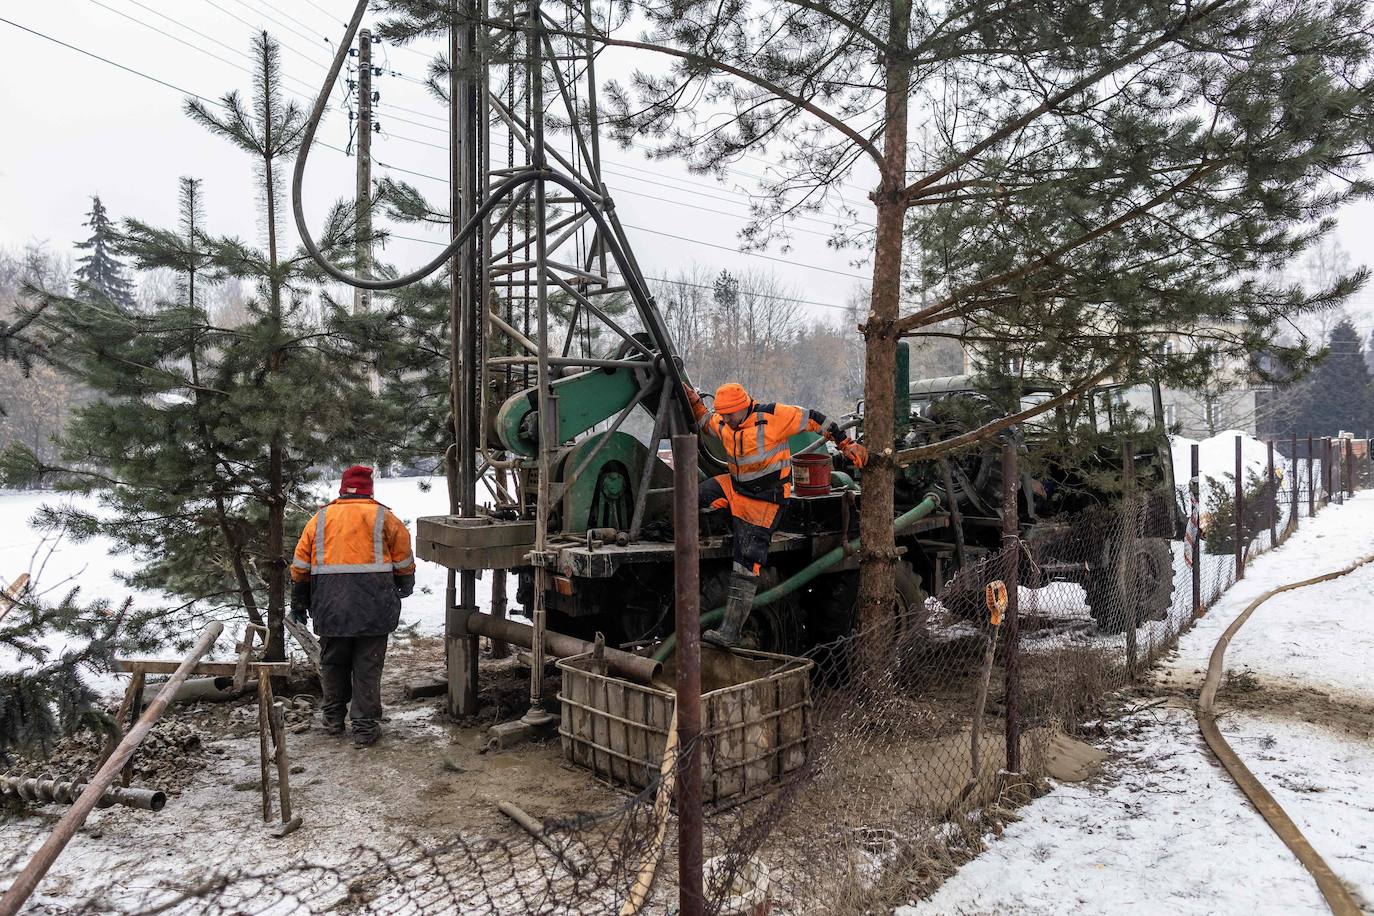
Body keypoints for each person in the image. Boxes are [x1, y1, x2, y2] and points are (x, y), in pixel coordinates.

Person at [685, 382, 868, 648]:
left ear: (743, 407)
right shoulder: (725, 423)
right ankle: (727, 525)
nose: (725, 420)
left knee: (745, 562)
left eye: (729, 415)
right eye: (722, 415)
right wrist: (694, 402)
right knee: (694, 497)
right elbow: (705, 422)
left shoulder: (774, 417)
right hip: (735, 486)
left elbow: (814, 419)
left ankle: (731, 631)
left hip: (764, 500)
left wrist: (845, 443)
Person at [290, 465, 416, 747]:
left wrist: (298, 599)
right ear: (370, 490)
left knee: (333, 662)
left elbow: (300, 565)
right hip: (373, 607)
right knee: (367, 667)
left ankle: (334, 719)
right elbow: (404, 559)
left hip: (330, 606)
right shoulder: (385, 517)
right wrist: (405, 586)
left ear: (342, 489)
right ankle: (364, 728)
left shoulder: (320, 518)